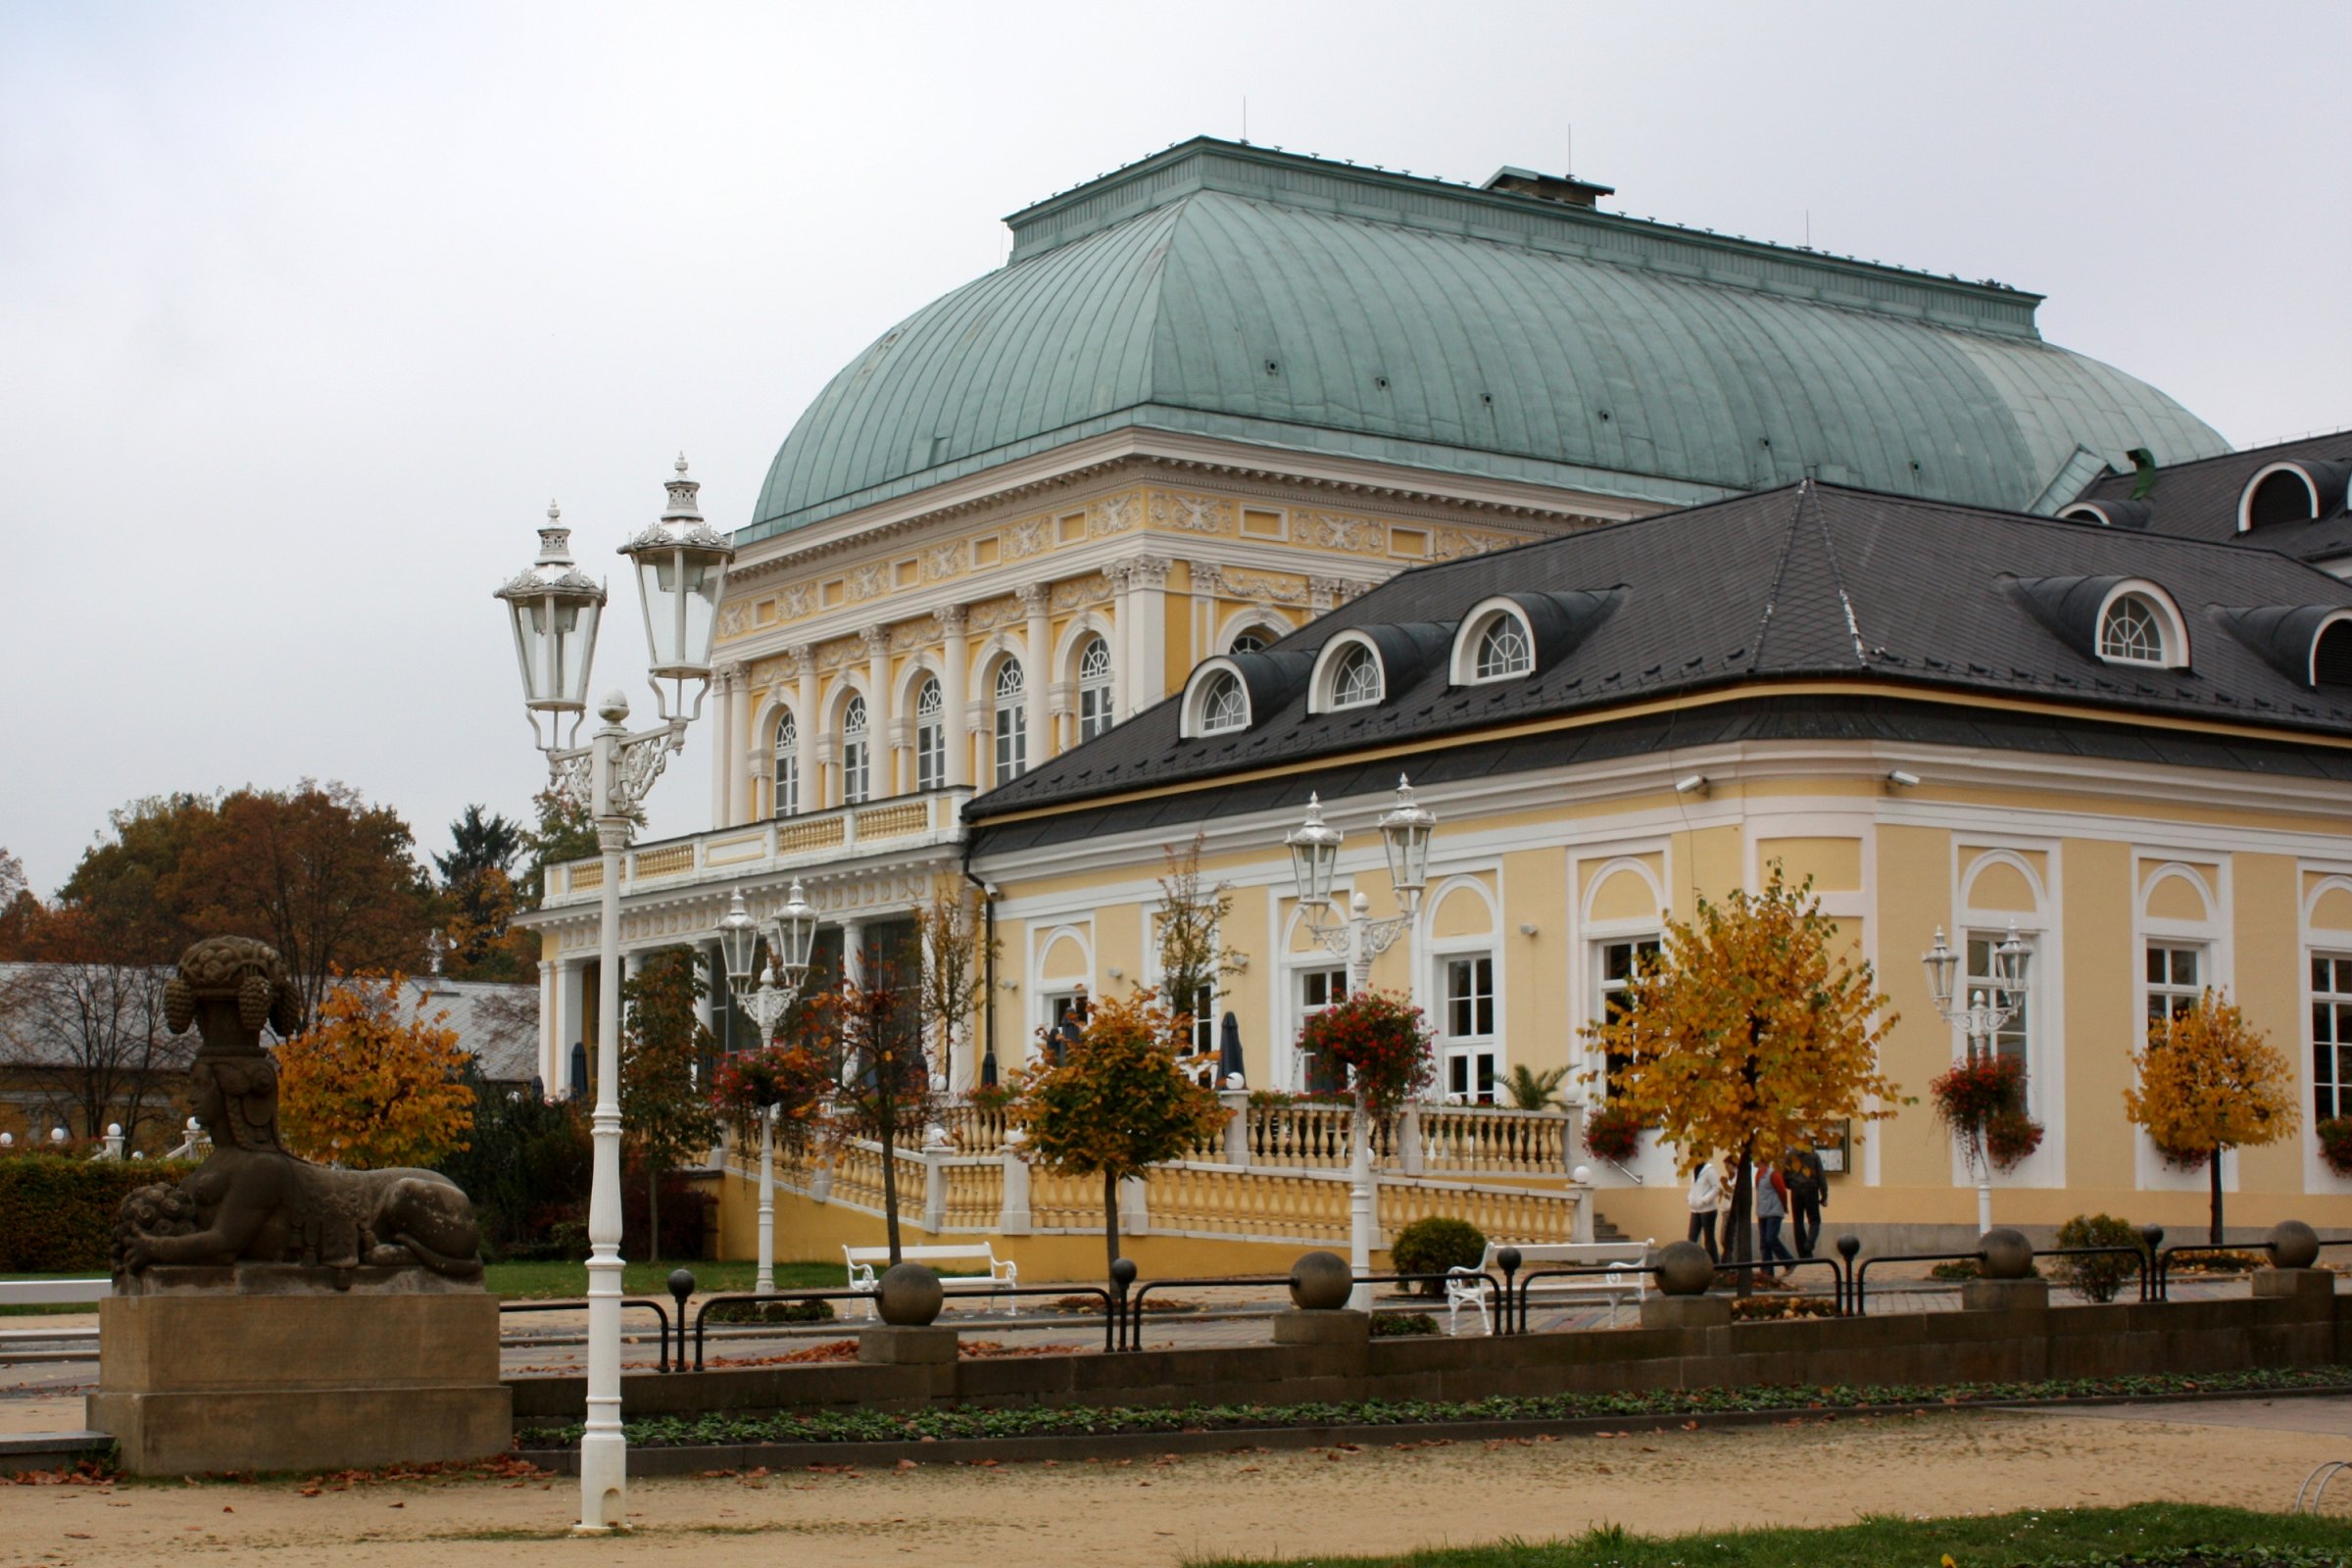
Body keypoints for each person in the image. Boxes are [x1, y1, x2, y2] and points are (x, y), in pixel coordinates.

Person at [1754, 1158, 1795, 1282]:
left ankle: (1788, 1261)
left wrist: (1784, 1207)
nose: (1753, 1160)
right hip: (1763, 1212)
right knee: (1764, 1243)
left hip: (1774, 1211)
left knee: (1770, 1238)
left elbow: (1782, 1190)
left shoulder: (1773, 1173)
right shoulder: (1758, 1174)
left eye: (1754, 1157)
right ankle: (1767, 1272)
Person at [1786, 1143, 1827, 1257]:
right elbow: (1821, 1176)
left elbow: (1784, 1174)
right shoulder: (1814, 1155)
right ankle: (1810, 1242)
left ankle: (1803, 1253)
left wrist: (1791, 1185)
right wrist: (1824, 1195)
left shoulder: (1790, 1155)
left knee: (1798, 1222)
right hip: (1811, 1189)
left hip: (1796, 1190)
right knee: (1814, 1220)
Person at [1685, 1155, 1723, 1263]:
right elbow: (1694, 1188)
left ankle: (1714, 1264)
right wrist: (1690, 1198)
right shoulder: (1695, 1170)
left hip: (1708, 1210)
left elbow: (1717, 1187)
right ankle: (1692, 1263)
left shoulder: (1709, 1169)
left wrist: (1704, 1200)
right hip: (1695, 1209)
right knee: (1691, 1238)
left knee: (1709, 1239)